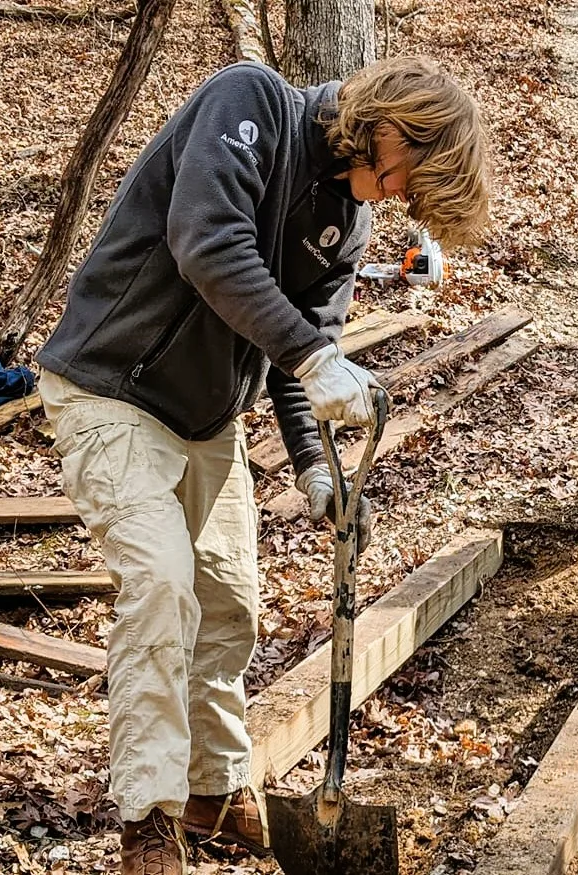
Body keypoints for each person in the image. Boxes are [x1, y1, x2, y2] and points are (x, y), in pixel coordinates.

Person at [32, 57, 489, 873]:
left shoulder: (348, 226)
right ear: (389, 127)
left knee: (231, 603)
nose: (390, 197)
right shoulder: (250, 106)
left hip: (206, 419)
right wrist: (316, 357)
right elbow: (206, 243)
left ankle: (213, 785)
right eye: (402, 178)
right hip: (111, 387)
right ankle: (149, 811)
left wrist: (315, 466)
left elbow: (296, 357)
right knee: (163, 585)